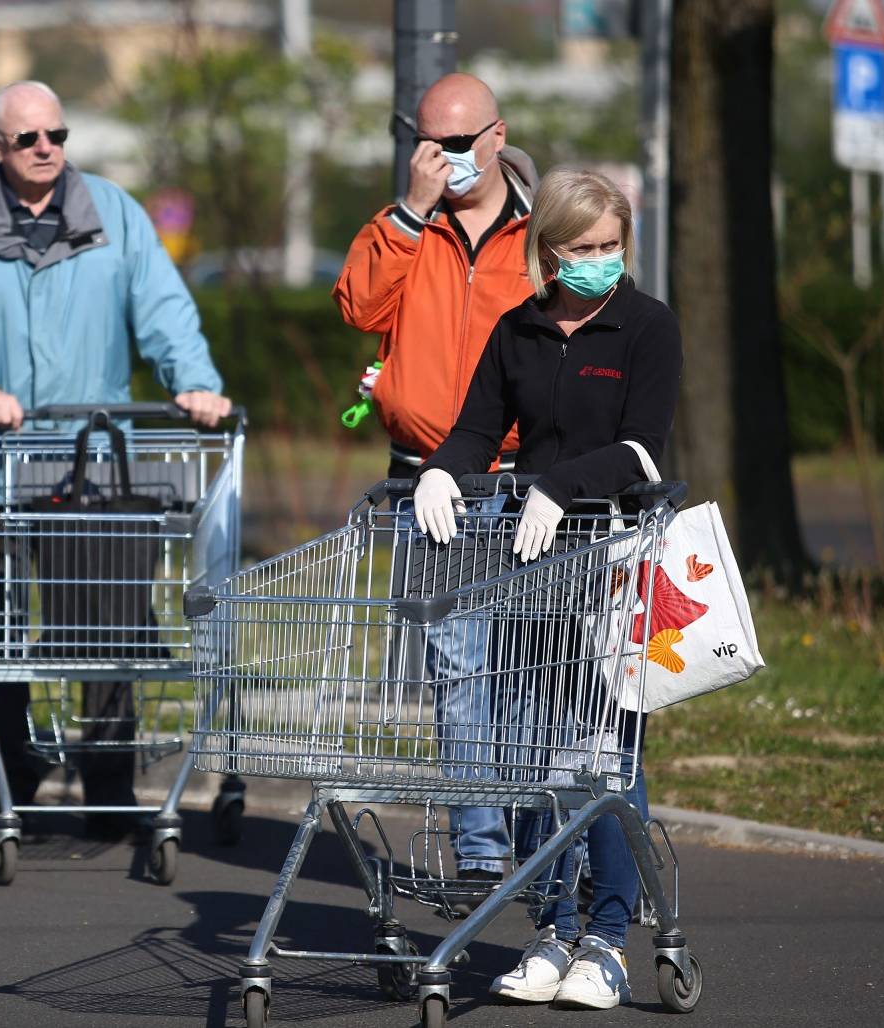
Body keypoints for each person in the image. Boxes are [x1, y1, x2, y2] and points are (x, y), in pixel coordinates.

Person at [0, 80, 231, 838]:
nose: (47, 148)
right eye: (28, 139)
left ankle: (109, 791)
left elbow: (164, 311)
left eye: (57, 134)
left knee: (106, 627)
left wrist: (197, 383)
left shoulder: (114, 212)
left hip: (96, 466)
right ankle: (9, 780)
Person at [413, 168, 683, 1010]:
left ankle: (606, 939)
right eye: (581, 249)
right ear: (548, 251)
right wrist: (439, 472)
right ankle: (549, 929)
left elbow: (644, 447)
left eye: (611, 248)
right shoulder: (518, 330)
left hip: (612, 561)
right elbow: (478, 429)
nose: (599, 262)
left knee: (601, 754)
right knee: (531, 751)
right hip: (531, 565)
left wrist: (564, 484)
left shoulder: (647, 326)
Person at [333, 72, 540, 907]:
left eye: (457, 144)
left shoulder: (539, 232)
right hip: (430, 482)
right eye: (426, 143)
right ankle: (483, 849)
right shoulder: (404, 229)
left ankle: (538, 835)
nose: (443, 159)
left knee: (534, 668)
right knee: (458, 672)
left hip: (527, 482)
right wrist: (410, 215)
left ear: (497, 136)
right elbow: (356, 304)